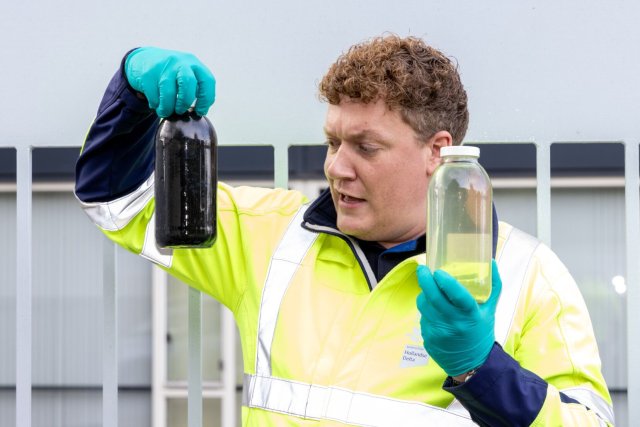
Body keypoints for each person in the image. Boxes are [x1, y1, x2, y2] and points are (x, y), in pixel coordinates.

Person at [75, 36, 614, 426]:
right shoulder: (271, 235)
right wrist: (132, 93)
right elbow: (119, 204)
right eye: (334, 142)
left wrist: (482, 371)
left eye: (366, 146)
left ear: (437, 151)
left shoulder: (528, 273)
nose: (337, 166)